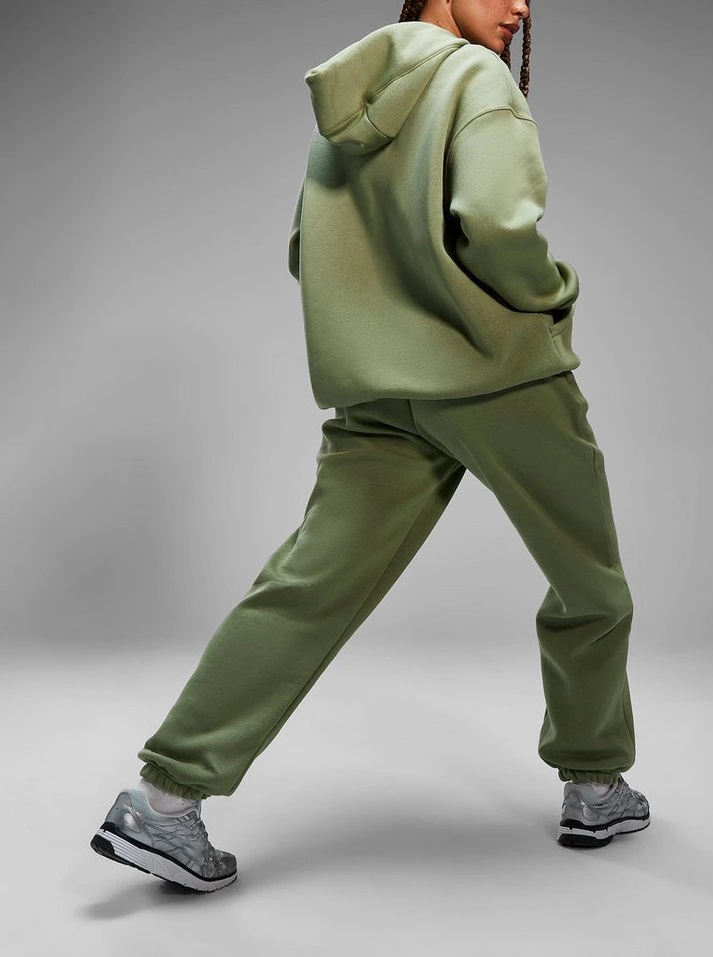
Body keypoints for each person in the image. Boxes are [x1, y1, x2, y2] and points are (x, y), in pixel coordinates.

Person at [90, 0, 650, 893]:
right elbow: (496, 221)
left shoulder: (349, 98)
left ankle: (162, 801)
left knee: (309, 586)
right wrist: (551, 295)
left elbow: (304, 247)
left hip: (381, 389)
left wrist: (381, 319)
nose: (520, 6)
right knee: (592, 585)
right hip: (500, 380)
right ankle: (594, 783)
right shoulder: (475, 79)